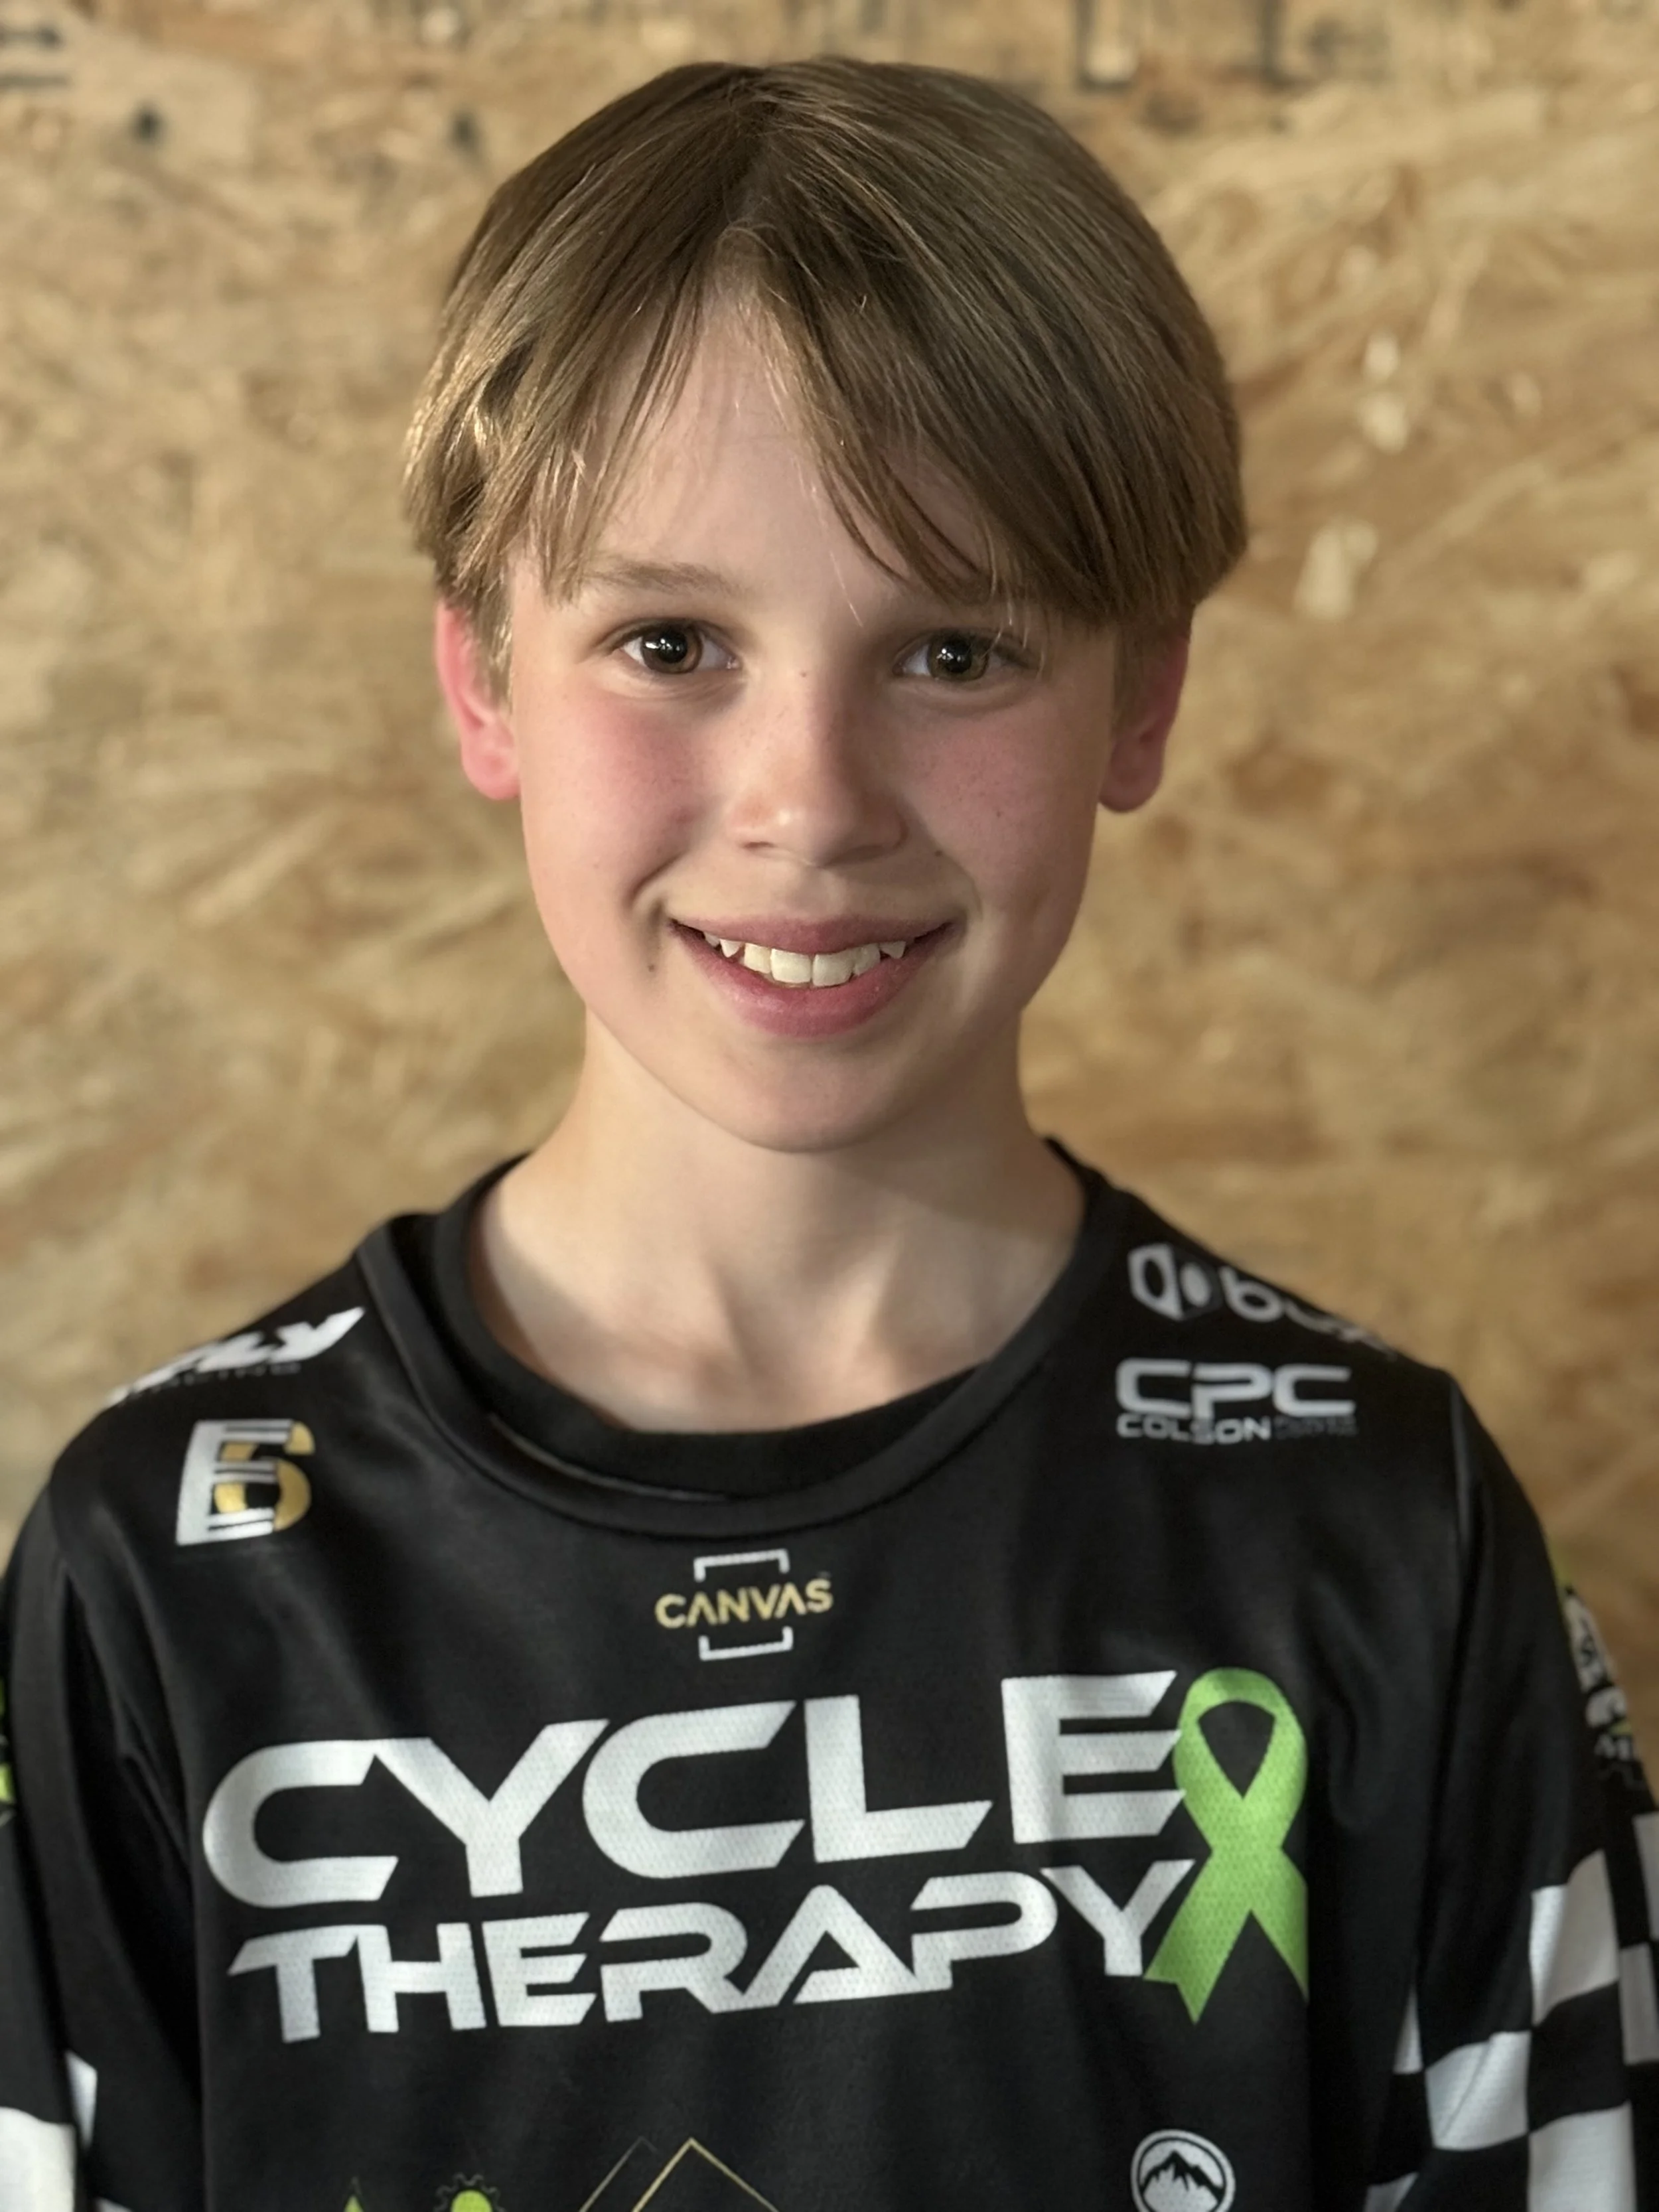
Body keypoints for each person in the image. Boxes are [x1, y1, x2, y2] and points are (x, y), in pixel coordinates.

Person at [0, 54, 1652, 2212]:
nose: (811, 799)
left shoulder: (1375, 1532)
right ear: (485, 680)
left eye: (953, 646)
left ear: (1137, 698)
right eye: (668, 639)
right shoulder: (172, 1566)